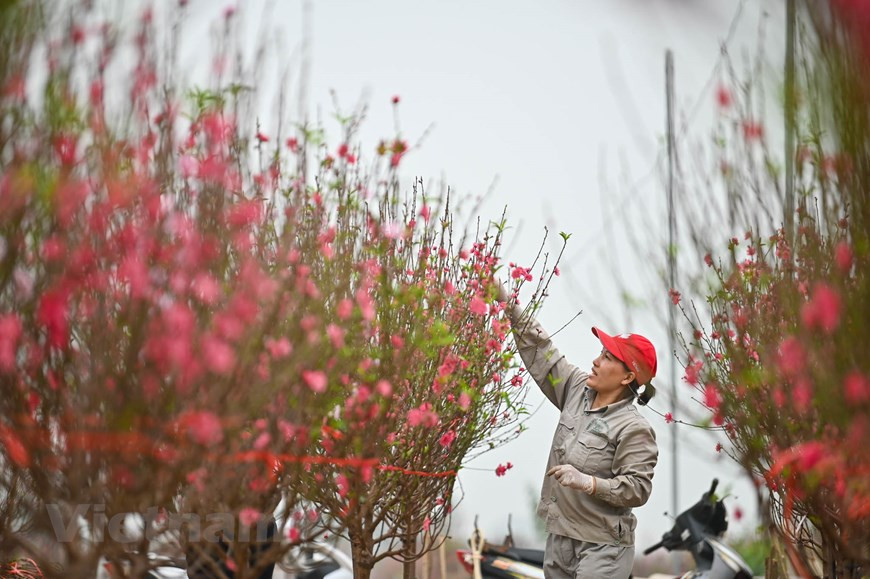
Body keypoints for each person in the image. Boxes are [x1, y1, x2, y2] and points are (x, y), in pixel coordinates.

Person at [500, 284, 659, 579]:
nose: (597, 361)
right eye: (601, 352)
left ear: (627, 376)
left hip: (603, 547)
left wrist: (590, 483)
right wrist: (509, 305)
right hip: (560, 536)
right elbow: (542, 350)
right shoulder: (576, 388)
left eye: (609, 357)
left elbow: (638, 488)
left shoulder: (634, 428)